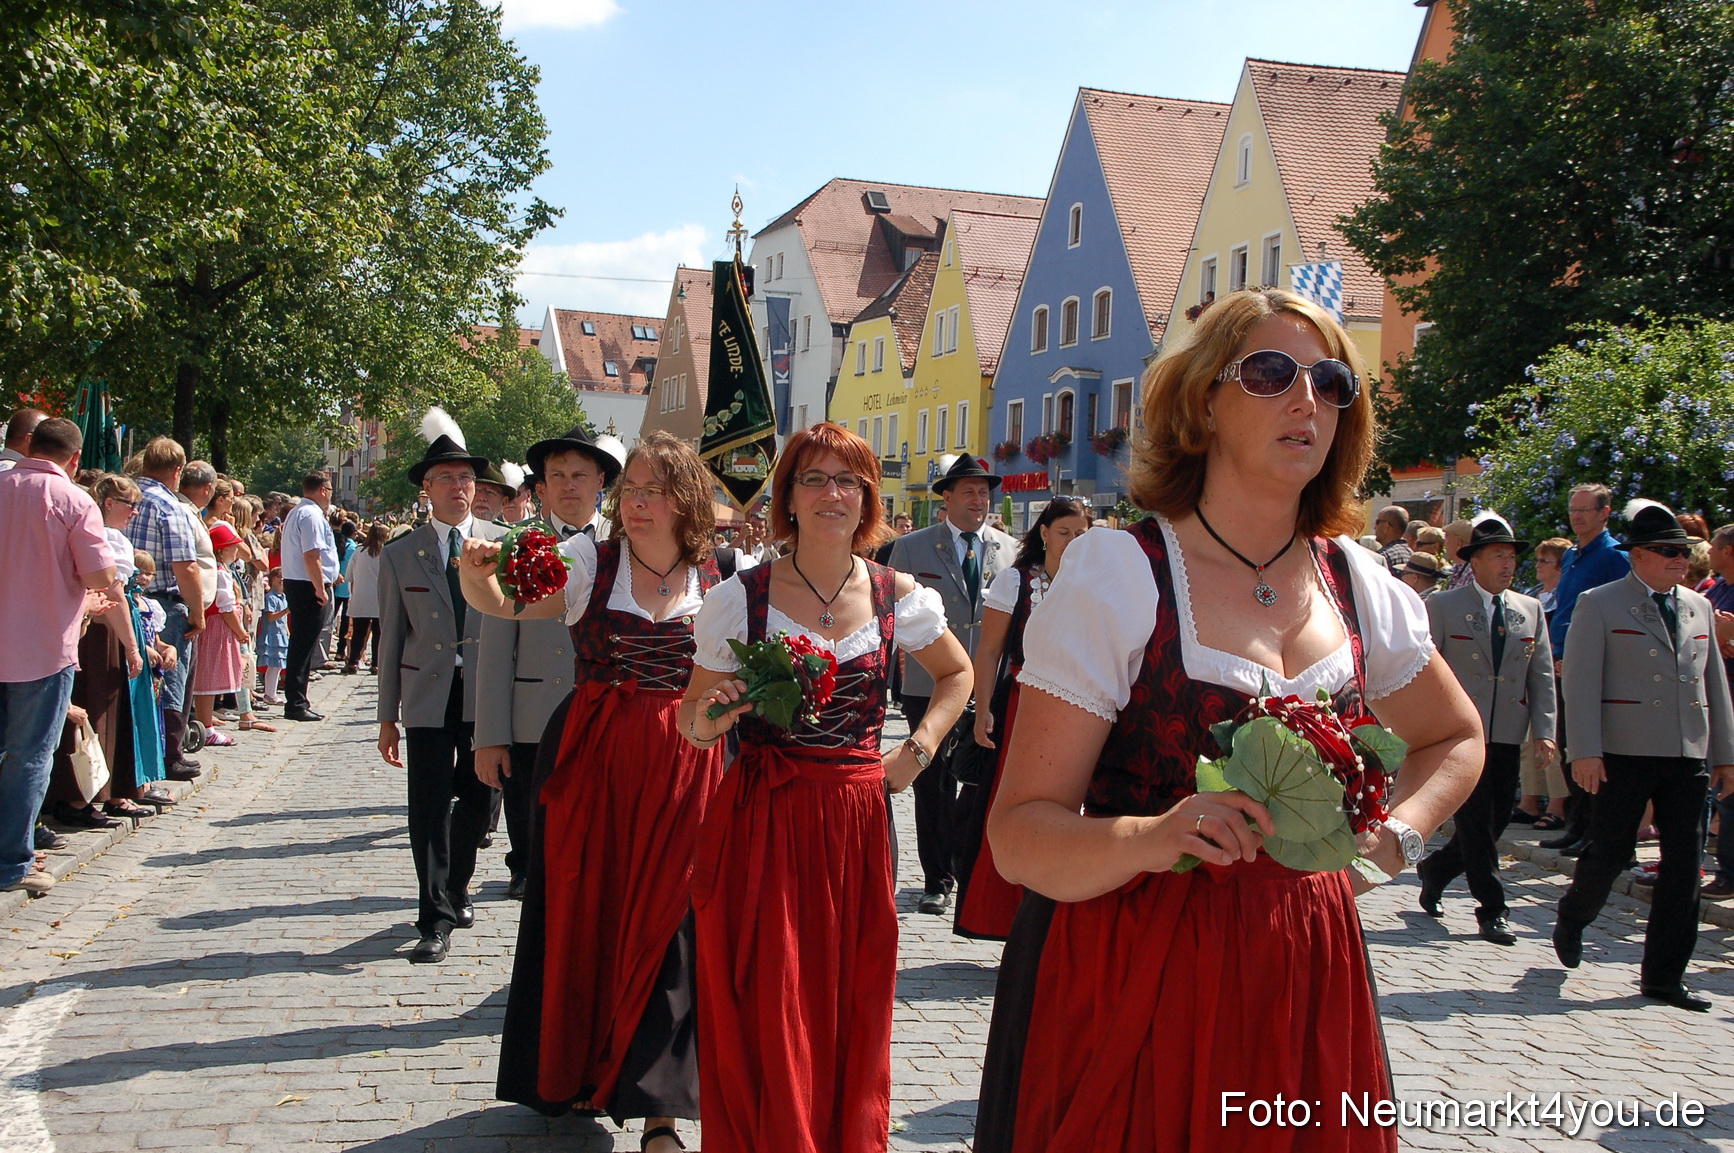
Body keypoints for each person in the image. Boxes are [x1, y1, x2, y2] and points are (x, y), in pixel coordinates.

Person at [973, 289, 1482, 1152]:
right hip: (1141, 971)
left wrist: (1395, 837)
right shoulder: (1120, 574)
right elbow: (1019, 836)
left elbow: (1456, 736)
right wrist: (1156, 833)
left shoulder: (1358, 583)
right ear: (1204, 400)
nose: (1307, 400)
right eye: (1271, 373)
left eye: (1330, 382)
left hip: (1305, 968)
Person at [682, 423, 971, 1153]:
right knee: (770, 996)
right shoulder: (738, 597)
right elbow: (691, 720)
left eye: (847, 480)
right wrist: (727, 707)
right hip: (764, 816)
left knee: (850, 995)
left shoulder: (896, 594)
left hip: (854, 821)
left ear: (867, 497)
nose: (831, 493)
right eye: (813, 478)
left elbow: (958, 674)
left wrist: (920, 747)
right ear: (788, 497)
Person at [464, 432, 716, 1151]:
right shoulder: (587, 561)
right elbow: (504, 604)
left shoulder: (720, 577)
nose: (638, 503)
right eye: (630, 489)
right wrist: (474, 573)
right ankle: (575, 1070)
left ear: (686, 499)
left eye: (654, 490)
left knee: (672, 923)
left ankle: (661, 1112)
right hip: (594, 760)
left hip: (685, 766)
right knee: (586, 911)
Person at [1553, 501, 1734, 1011]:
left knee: (1683, 867)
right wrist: (1584, 750)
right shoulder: (1600, 602)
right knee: (1608, 854)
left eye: (1685, 551)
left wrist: (1725, 753)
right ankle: (1574, 913)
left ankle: (1663, 977)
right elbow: (1583, 684)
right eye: (1668, 551)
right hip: (1623, 752)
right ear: (1637, 555)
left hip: (1686, 754)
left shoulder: (1697, 606)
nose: (1681, 559)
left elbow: (1713, 683)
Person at [376, 414, 507, 964]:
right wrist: (387, 716)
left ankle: (455, 885)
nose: (459, 488)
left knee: (481, 795)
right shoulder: (401, 553)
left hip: (483, 693)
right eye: (446, 478)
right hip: (427, 695)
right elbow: (390, 639)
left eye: (466, 479)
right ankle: (434, 918)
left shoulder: (500, 547)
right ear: (427, 489)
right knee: (428, 808)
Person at [474, 425, 621, 903]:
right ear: (541, 487)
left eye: (581, 474)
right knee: (537, 857)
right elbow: (494, 647)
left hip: (606, 721)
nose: (569, 484)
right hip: (533, 721)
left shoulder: (624, 548)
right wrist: (491, 736)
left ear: (601, 482)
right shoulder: (519, 545)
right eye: (557, 475)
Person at [1416, 515, 1557, 945]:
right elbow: (1424, 669)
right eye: (1498, 555)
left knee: (1494, 823)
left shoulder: (1529, 609)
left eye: (1512, 557)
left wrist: (1546, 729)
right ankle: (1492, 908)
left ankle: (1436, 869)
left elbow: (1542, 674)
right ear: (1474, 561)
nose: (1507, 564)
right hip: (1460, 733)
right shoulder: (1442, 606)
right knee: (1476, 822)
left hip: (1508, 732)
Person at [955, 495, 1090, 941]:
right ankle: (1003, 915)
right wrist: (982, 712)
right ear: (1045, 533)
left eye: (1080, 534)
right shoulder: (1015, 582)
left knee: (1070, 808)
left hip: (1079, 705)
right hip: (1023, 704)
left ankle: (1056, 915)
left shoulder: (1094, 582)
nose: (1072, 541)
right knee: (1013, 803)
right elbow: (990, 651)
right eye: (1064, 532)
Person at [887, 453, 1017, 915]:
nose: (979, 499)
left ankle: (969, 871)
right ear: (947, 498)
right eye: (969, 491)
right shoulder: (913, 548)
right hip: (930, 681)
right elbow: (893, 621)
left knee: (979, 780)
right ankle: (936, 878)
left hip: (989, 683)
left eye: (985, 492)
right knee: (933, 778)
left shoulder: (1009, 549)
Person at [1, 419, 123, 896]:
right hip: (42, 648)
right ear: (74, 459)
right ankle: (13, 861)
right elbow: (98, 574)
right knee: (29, 756)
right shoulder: (73, 501)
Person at [1541, 483, 1632, 855]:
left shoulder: (1613, 556)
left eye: (1585, 510)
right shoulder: (1575, 554)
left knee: (1593, 751)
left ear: (1604, 513)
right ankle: (1578, 826)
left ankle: (1598, 832)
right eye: (1573, 509)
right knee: (1569, 746)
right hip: (1564, 658)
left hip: (1592, 666)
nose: (1577, 516)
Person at [125, 437, 207, 781]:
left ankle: (140, 754)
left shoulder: (126, 497)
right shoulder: (169, 507)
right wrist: (198, 611)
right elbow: (185, 566)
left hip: (129, 599)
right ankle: (171, 753)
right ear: (177, 471)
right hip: (164, 601)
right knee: (172, 678)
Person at [279, 471, 338, 722]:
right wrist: (320, 588)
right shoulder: (311, 514)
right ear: (323, 490)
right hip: (308, 584)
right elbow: (311, 554)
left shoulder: (298, 512)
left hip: (299, 582)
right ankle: (296, 703)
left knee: (301, 645)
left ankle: (297, 699)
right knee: (303, 646)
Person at [190, 522, 252, 747]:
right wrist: (240, 631)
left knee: (207, 677)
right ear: (224, 549)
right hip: (217, 629)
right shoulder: (220, 574)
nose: (236, 551)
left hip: (214, 627)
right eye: (233, 547)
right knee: (209, 678)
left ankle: (204, 721)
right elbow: (225, 607)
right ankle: (205, 726)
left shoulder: (217, 571)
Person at [343, 523, 387, 675]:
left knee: (359, 633)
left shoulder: (358, 552)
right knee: (379, 633)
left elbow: (349, 576)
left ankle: (353, 661)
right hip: (380, 598)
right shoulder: (386, 554)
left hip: (361, 597)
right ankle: (376, 663)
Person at [258, 569, 290, 705]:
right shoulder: (270, 597)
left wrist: (287, 631)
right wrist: (285, 611)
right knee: (273, 665)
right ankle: (269, 693)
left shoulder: (283, 597)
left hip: (280, 634)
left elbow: (283, 620)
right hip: (272, 635)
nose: (281, 579)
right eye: (278, 577)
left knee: (278, 666)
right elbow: (270, 617)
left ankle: (272, 692)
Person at [1372, 504, 1412, 574]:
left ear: (1386, 527)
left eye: (1377, 522)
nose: (1375, 527)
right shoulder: (1411, 554)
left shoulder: (1381, 557)